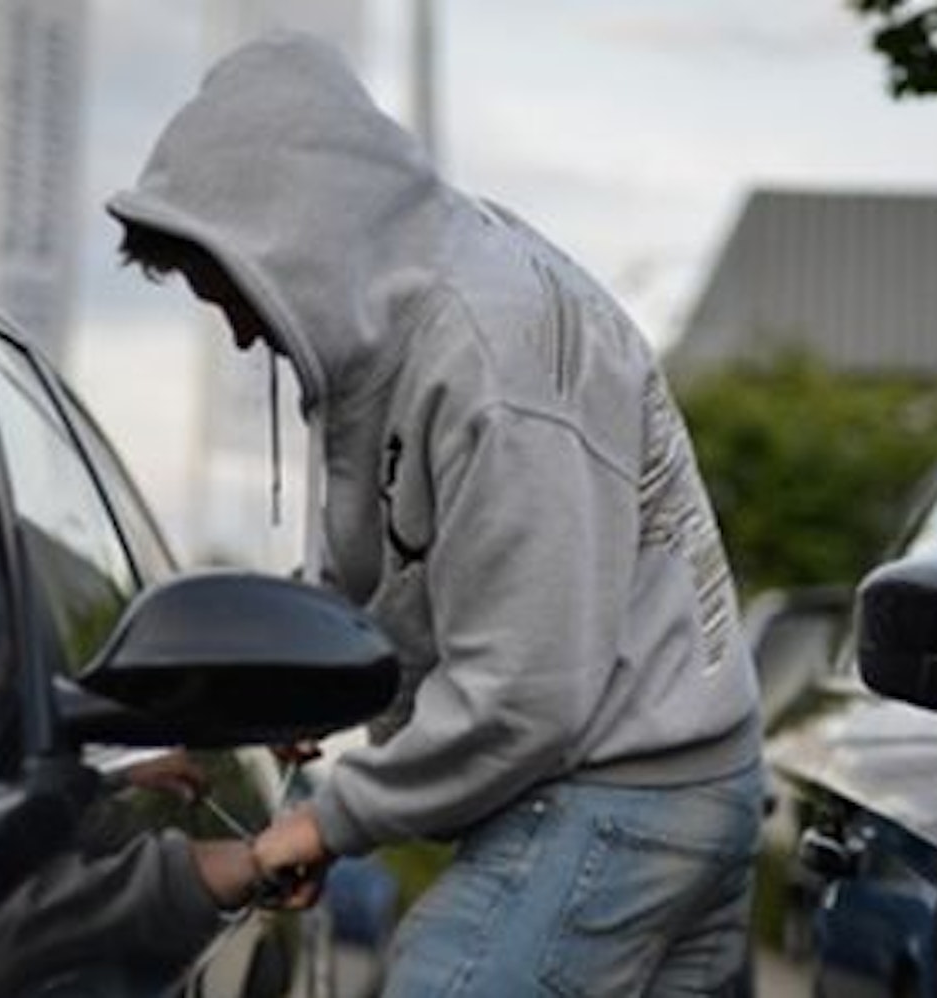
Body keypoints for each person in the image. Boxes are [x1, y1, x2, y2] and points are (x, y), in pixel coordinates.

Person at [107, 33, 763, 997]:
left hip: (624, 789)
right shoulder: (402, 324)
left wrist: (327, 819)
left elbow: (528, 692)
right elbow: (387, 580)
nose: (245, 332)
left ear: (296, 237)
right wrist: (249, 709)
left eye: (237, 294)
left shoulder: (493, 363)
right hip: (663, 777)